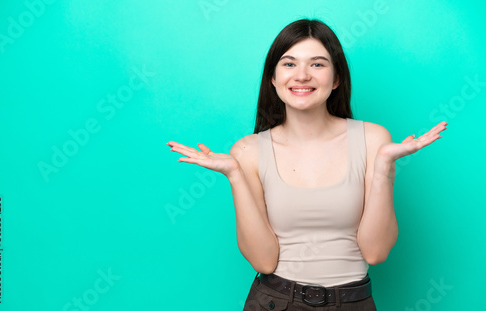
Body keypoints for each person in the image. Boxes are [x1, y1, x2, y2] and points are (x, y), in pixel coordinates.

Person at [166, 18, 447, 310]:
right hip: (275, 301)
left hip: (353, 302)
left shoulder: (374, 139)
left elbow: (376, 253)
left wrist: (384, 167)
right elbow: (263, 260)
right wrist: (235, 175)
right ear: (273, 78)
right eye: (289, 64)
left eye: (317, 64)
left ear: (336, 78)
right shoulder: (248, 151)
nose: (302, 75)